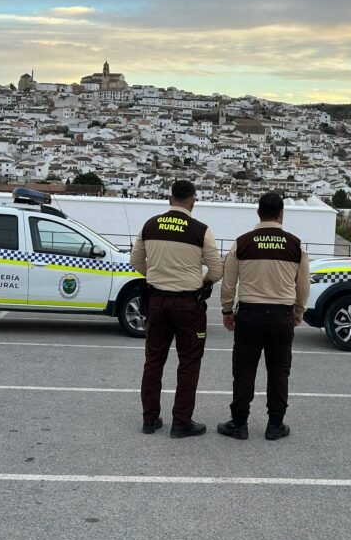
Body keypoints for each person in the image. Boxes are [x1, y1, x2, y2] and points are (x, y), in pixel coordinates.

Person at [130, 180, 223, 438]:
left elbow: (135, 261)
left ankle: (150, 420)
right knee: (189, 363)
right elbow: (217, 270)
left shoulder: (150, 225)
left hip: (157, 301)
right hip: (187, 304)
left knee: (153, 362)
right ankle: (181, 422)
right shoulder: (201, 230)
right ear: (193, 201)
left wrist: (156, 276)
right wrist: (201, 282)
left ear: (170, 199)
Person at [218, 193, 310, 441]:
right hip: (282, 317)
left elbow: (228, 284)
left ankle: (239, 424)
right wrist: (298, 311)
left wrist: (227, 310)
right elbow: (302, 287)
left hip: (249, 315)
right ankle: (275, 424)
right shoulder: (295, 245)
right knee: (279, 371)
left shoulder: (242, 242)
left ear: (258, 213)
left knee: (244, 370)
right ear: (281, 214)